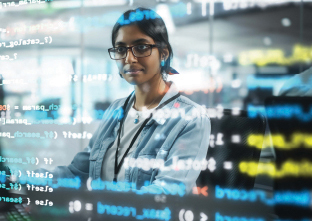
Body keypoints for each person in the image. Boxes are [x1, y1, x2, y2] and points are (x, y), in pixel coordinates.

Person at [49, 7, 211, 194]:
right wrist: (23, 180)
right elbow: (76, 173)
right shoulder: (116, 109)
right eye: (121, 49)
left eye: (141, 47)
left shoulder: (190, 118)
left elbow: (166, 193)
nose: (129, 58)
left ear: (163, 53)